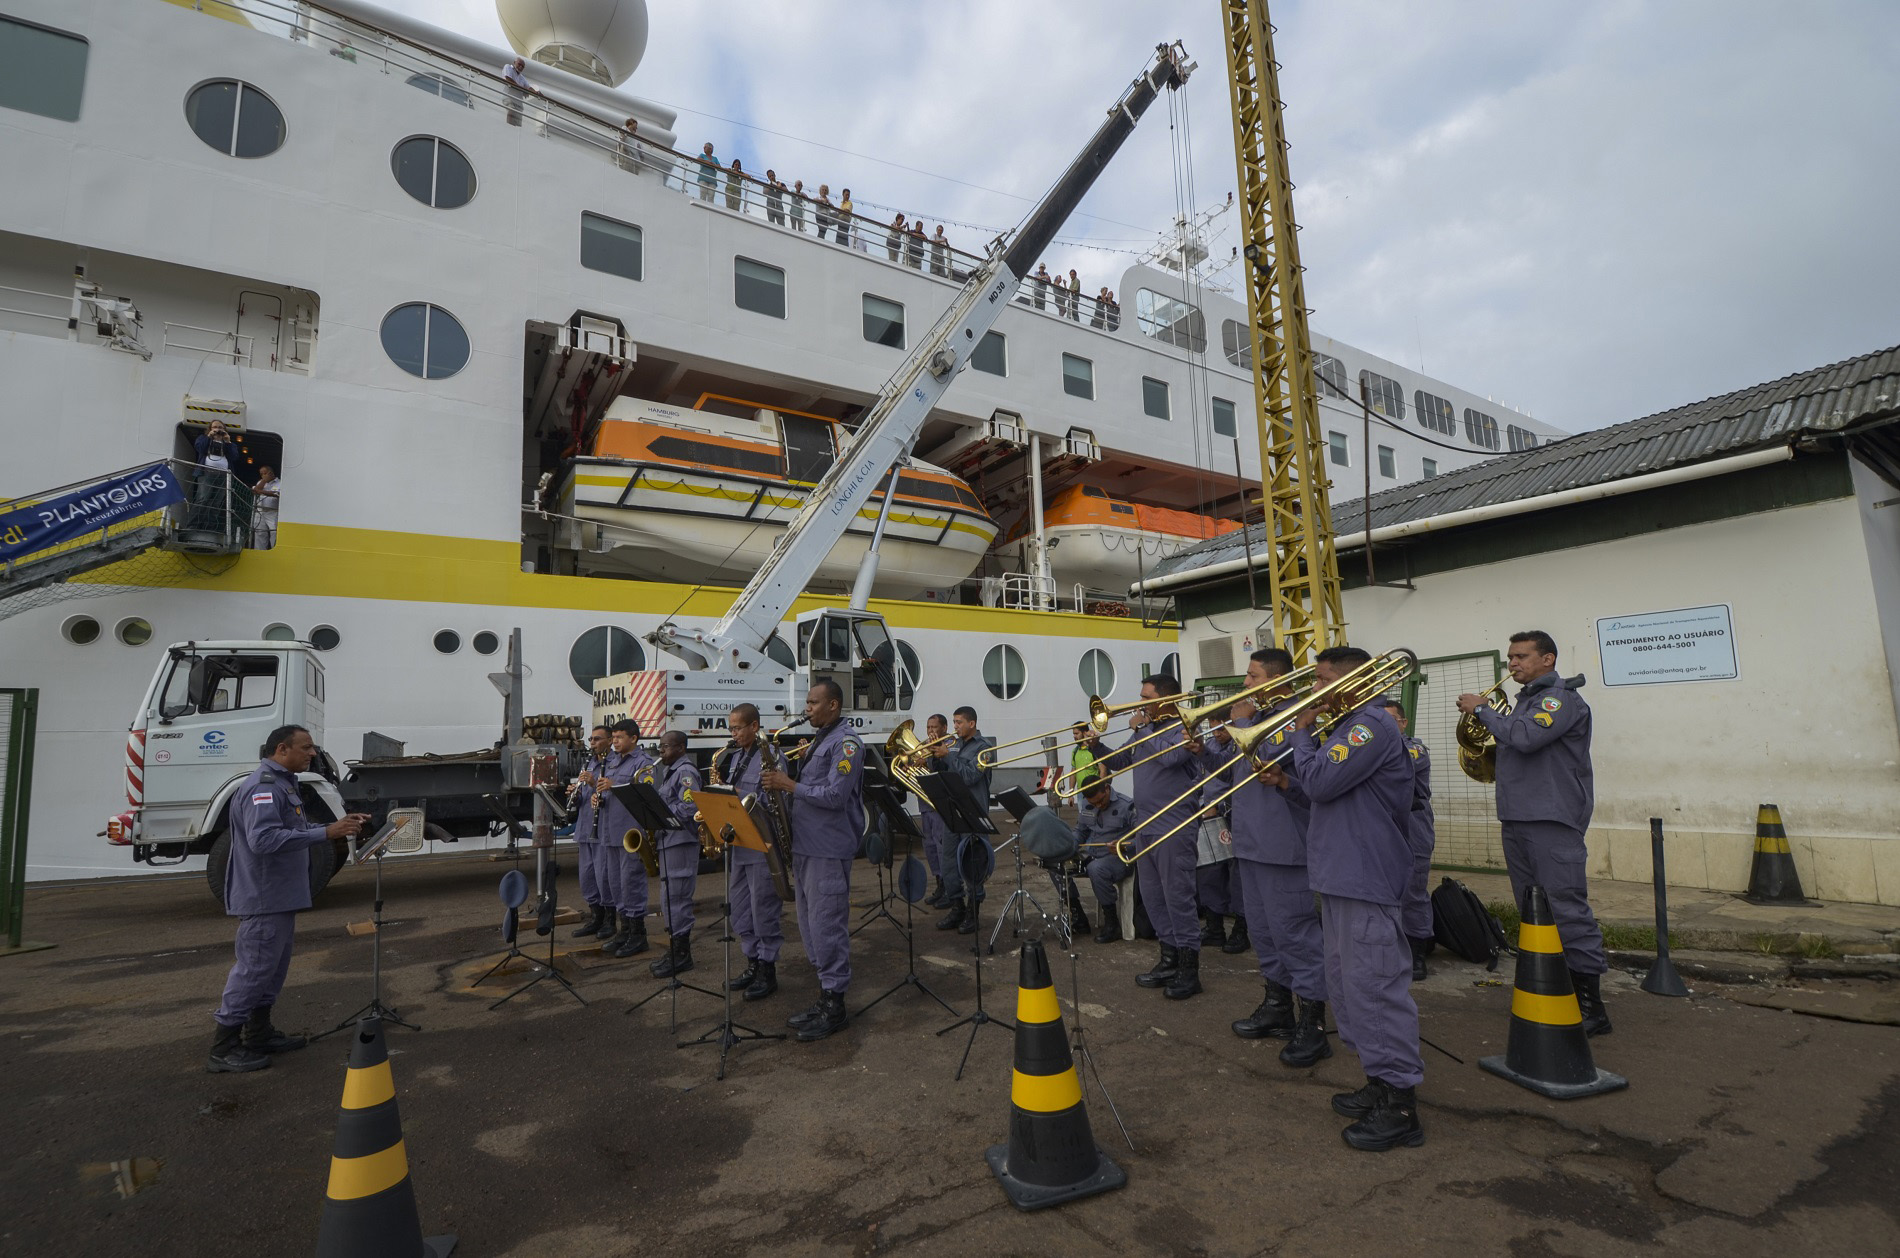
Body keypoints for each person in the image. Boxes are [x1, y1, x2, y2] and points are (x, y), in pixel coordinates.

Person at [1288, 646, 1424, 1151]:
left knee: (1376, 986)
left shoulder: (1368, 727)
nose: (1314, 691)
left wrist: (1300, 731)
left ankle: (1401, 1103)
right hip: (1343, 875)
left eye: (1321, 680)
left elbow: (1321, 780)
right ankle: (1379, 1078)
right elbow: (1322, 790)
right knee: (1348, 987)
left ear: (1349, 682)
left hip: (1365, 875)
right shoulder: (1347, 730)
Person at [1457, 631, 1609, 1035]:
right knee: (1534, 912)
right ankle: (1551, 992)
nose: (1513, 664)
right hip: (1519, 818)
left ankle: (1591, 1005)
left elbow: (1524, 737)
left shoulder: (1559, 698)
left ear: (1548, 659)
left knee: (1566, 910)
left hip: (1551, 820)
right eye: (1510, 657)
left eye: (1522, 656)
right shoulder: (1527, 701)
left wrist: (1484, 710)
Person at [207, 725, 368, 1072]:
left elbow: (288, 832)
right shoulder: (262, 789)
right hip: (264, 897)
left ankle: (259, 1033)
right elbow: (263, 840)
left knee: (272, 970)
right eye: (306, 748)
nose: (312, 754)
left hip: (279, 896)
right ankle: (223, 1046)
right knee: (254, 970)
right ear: (282, 749)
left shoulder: (283, 784)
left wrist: (339, 825)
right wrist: (327, 831)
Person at [1214, 649, 1327, 1062]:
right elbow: (1228, 772)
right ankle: (1278, 1006)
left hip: (1283, 849)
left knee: (1295, 935)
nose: (1245, 684)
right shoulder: (1257, 720)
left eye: (1252, 676)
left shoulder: (1294, 721)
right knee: (1264, 936)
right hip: (1250, 845)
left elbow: (1276, 761)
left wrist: (1243, 723)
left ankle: (1312, 1023)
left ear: (1276, 679)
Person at [1086, 674, 1211, 998]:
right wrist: (1096, 745)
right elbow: (1120, 761)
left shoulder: (1185, 726)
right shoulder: (1146, 732)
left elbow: (1171, 757)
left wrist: (1141, 729)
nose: (1139, 704)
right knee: (1154, 898)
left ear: (1165, 700)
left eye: (1145, 698)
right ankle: (1168, 957)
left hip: (1174, 826)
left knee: (1178, 898)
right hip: (1146, 826)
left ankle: (1188, 968)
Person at [759, 678, 863, 1042]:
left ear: (833, 705)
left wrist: (788, 784)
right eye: (807, 703)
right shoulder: (821, 741)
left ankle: (835, 1005)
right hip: (805, 847)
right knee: (809, 927)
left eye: (813, 703)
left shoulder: (847, 743)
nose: (807, 710)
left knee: (827, 925)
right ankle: (824, 996)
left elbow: (835, 795)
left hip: (827, 849)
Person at [717, 704, 783, 1001]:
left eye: (738, 728)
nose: (734, 734)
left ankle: (768, 971)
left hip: (761, 843)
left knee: (763, 909)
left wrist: (734, 796)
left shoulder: (771, 756)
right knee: (741, 910)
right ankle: (752, 963)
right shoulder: (737, 757)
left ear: (754, 726)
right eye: (731, 729)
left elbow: (774, 803)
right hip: (739, 843)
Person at [1383, 698, 1436, 981]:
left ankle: (1417, 951)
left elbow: (1395, 769)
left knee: (1413, 890)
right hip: (1386, 823)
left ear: (1403, 723)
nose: (1384, 726)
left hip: (1413, 824)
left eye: (1390, 720)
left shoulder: (1414, 749)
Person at [931, 705, 993, 935]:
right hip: (952, 810)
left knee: (972, 863)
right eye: (954, 722)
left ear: (971, 724)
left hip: (972, 812)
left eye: (958, 722)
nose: (955, 726)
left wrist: (948, 757)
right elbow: (940, 773)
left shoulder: (984, 749)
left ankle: (973, 911)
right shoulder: (953, 745)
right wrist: (935, 756)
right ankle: (956, 906)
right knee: (948, 861)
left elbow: (968, 776)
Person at [648, 730, 704, 978]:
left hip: (680, 841)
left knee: (677, 898)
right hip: (669, 841)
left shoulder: (685, 772)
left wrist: (660, 811)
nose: (661, 751)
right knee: (669, 897)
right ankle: (674, 950)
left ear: (681, 748)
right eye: (660, 747)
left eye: (666, 746)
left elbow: (690, 806)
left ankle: (682, 955)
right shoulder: (672, 771)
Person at [598, 719, 653, 958]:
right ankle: (624, 931)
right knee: (615, 884)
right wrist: (597, 797)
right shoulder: (610, 761)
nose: (615, 742)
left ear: (634, 738)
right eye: (614, 737)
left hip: (630, 833)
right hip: (610, 831)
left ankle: (638, 935)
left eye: (620, 737)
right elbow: (607, 792)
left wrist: (614, 785)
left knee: (631, 883)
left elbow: (645, 793)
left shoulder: (644, 763)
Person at [1074, 775, 1137, 943]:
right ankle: (1076, 914)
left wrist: (1123, 846)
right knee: (1057, 863)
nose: (1099, 806)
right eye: (1094, 803)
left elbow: (1144, 836)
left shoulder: (1126, 805)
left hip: (1119, 858)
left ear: (1107, 788)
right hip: (1094, 855)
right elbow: (1080, 832)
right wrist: (1067, 845)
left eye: (1101, 801)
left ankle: (1112, 923)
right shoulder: (1088, 806)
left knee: (1096, 869)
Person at [569, 725, 614, 941]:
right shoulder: (588, 763)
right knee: (587, 876)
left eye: (597, 739)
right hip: (585, 826)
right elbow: (584, 797)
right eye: (591, 739)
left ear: (610, 740)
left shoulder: (613, 762)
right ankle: (595, 917)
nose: (592, 743)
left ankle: (610, 920)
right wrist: (575, 793)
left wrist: (593, 782)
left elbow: (611, 790)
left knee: (603, 875)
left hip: (603, 828)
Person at [917, 713, 952, 907]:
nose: (930, 731)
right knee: (929, 845)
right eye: (928, 728)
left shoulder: (948, 746)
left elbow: (943, 770)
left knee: (941, 846)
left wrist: (927, 761)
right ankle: (939, 883)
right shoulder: (925, 749)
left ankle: (948, 887)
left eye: (934, 727)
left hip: (940, 804)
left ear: (944, 728)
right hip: (925, 803)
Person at [501, 56, 539, 127]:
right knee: (511, 111)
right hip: (509, 96)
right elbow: (508, 79)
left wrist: (536, 93)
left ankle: (515, 134)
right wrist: (522, 89)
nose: (521, 67)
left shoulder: (522, 78)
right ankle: (508, 129)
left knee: (518, 120)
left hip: (518, 100)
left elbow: (528, 87)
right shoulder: (508, 67)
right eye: (519, 64)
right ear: (514, 62)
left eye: (523, 66)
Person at [249, 465, 280, 549]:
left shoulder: (280, 483)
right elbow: (255, 491)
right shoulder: (261, 482)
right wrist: (264, 480)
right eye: (261, 474)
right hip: (260, 511)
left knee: (274, 532)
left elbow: (276, 493)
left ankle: (274, 550)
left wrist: (260, 491)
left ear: (271, 473)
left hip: (273, 512)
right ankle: (260, 551)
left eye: (265, 473)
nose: (263, 475)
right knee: (260, 533)